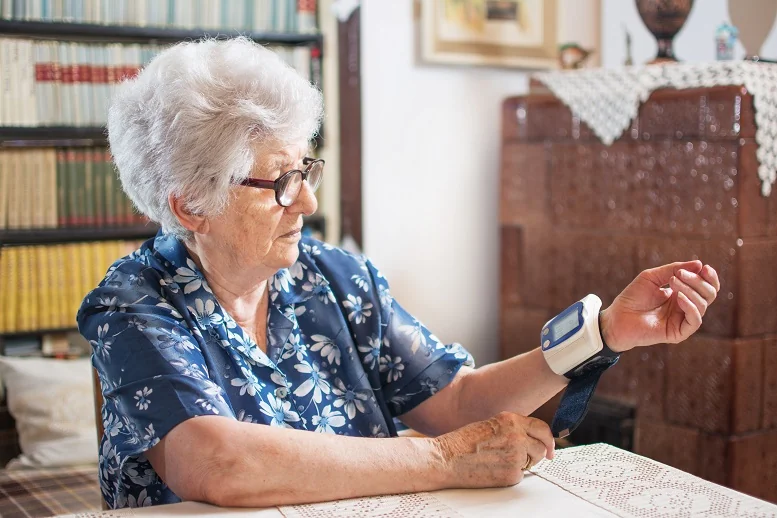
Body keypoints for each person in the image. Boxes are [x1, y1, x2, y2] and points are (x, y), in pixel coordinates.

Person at [78, 37, 720, 510]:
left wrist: (603, 333)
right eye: (279, 182)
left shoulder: (333, 277)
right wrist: (443, 459)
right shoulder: (132, 304)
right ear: (192, 202)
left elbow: (459, 400)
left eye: (306, 171)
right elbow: (215, 463)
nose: (307, 202)